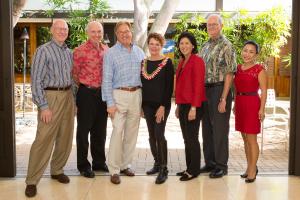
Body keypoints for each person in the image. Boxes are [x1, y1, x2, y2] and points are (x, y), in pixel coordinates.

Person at [25, 19, 75, 198]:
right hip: (50, 98)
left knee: (65, 137)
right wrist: (43, 106)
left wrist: (74, 101)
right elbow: (36, 81)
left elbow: (72, 78)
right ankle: (31, 180)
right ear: (52, 30)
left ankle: (57, 169)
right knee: (43, 139)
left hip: (68, 96)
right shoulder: (43, 51)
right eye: (59, 29)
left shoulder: (69, 53)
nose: (62, 31)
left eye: (65, 29)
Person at [102, 21, 144, 184]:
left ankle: (125, 164)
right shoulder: (110, 54)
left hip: (136, 95)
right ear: (117, 35)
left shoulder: (140, 52)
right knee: (117, 132)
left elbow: (144, 79)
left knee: (131, 133)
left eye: (127, 31)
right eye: (121, 32)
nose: (125, 34)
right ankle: (114, 169)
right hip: (118, 95)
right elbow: (106, 80)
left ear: (131, 32)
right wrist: (109, 104)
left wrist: (143, 104)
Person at [199, 14, 237, 178]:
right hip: (205, 91)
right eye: (209, 25)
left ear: (221, 26)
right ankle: (210, 163)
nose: (211, 27)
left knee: (220, 130)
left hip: (219, 90)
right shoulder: (205, 46)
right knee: (206, 129)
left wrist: (223, 98)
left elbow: (230, 73)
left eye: (214, 24)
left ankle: (221, 165)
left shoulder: (226, 45)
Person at [72, 21, 109, 178]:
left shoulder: (107, 50)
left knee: (100, 131)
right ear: (88, 32)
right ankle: (83, 165)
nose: (97, 34)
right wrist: (75, 100)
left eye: (99, 31)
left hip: (102, 94)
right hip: (86, 93)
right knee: (83, 131)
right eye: (93, 32)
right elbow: (74, 75)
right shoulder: (79, 51)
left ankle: (99, 162)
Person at [141, 33, 174, 184]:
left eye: (157, 44)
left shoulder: (167, 62)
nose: (154, 47)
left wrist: (162, 106)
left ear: (161, 46)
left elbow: (169, 87)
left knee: (159, 134)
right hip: (147, 104)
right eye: (151, 43)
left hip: (162, 105)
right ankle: (156, 162)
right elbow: (142, 85)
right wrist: (141, 105)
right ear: (148, 45)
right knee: (151, 135)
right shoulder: (143, 63)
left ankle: (164, 168)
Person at [233, 40, 267, 183]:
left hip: (253, 104)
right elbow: (235, 87)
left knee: (252, 139)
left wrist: (262, 109)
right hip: (240, 104)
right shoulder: (238, 68)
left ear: (256, 55)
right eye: (245, 50)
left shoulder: (259, 70)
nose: (247, 54)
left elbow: (264, 91)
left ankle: (253, 170)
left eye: (251, 52)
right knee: (245, 139)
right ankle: (249, 167)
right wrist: (235, 103)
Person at [175, 32, 206, 181]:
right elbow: (180, 85)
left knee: (192, 138)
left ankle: (194, 170)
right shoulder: (182, 61)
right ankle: (189, 168)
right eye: (181, 43)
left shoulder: (197, 60)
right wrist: (178, 106)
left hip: (194, 105)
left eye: (187, 43)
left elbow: (198, 85)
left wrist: (193, 107)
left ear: (193, 45)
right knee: (186, 138)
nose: (184, 46)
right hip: (183, 105)